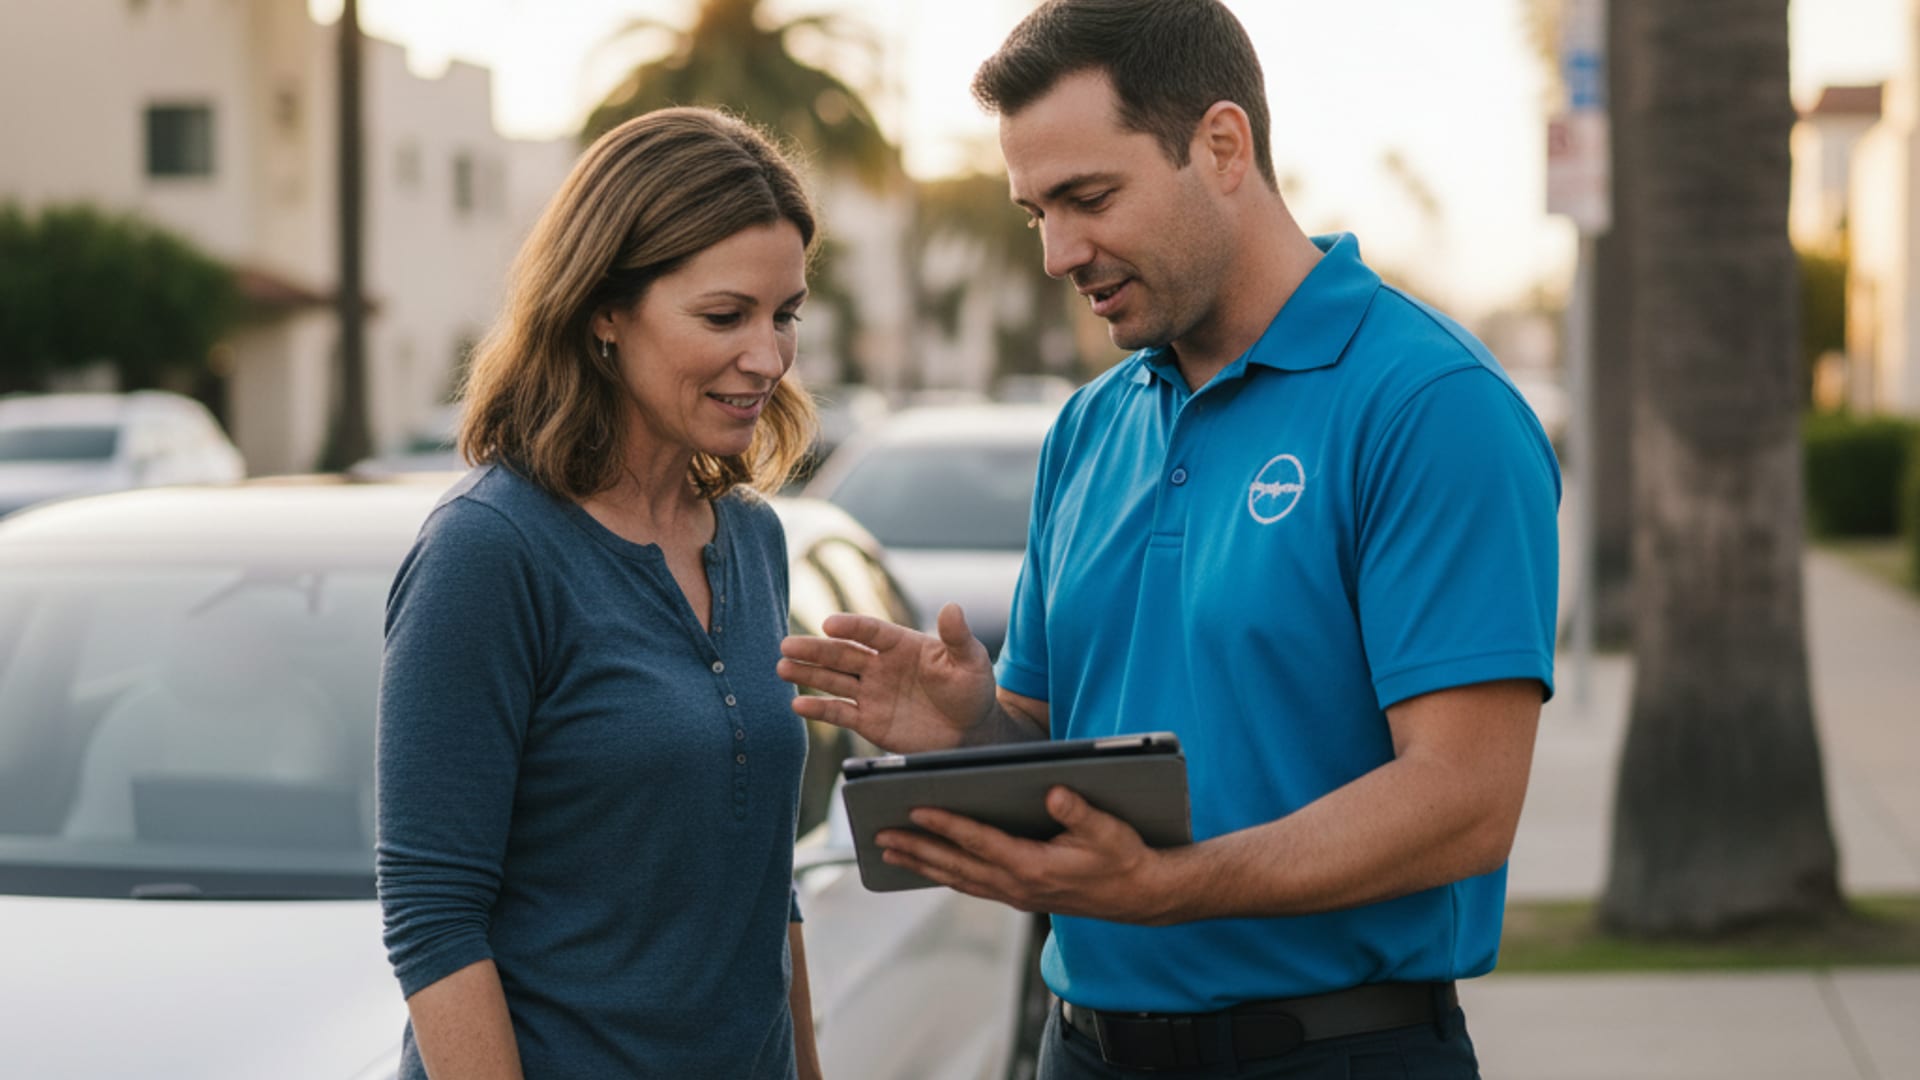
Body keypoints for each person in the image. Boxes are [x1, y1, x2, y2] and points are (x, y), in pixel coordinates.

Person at [777, 1, 1559, 1076]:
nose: (1058, 252)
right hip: (1082, 1048)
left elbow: (1464, 802)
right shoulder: (1089, 431)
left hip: (1334, 1052)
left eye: (1089, 198)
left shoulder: (1429, 405)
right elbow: (1063, 766)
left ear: (1222, 146)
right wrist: (966, 733)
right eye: (1035, 212)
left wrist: (1173, 889)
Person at [377, 107, 825, 1080]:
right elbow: (432, 918)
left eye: (784, 314)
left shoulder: (754, 540)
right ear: (603, 311)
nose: (768, 356)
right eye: (724, 315)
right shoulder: (488, 554)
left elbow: (762, 885)